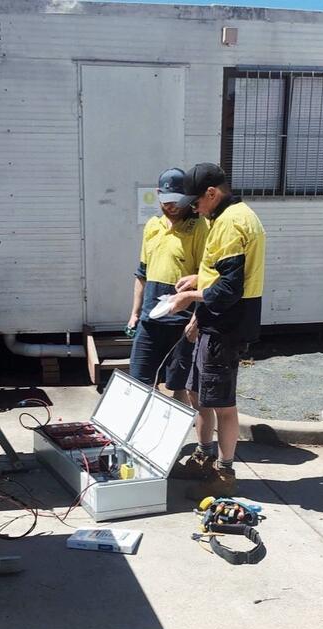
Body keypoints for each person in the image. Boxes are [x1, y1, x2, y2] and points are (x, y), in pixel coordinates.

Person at [169, 162, 266, 497]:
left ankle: (224, 473)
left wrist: (189, 297)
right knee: (199, 394)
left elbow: (229, 289)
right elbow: (223, 274)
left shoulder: (230, 223)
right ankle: (203, 455)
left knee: (222, 403)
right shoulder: (225, 218)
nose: (193, 209)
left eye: (195, 202)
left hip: (226, 325)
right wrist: (199, 280)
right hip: (214, 321)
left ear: (211, 194)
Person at [128, 168, 209, 400]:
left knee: (179, 384)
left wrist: (196, 321)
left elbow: (209, 277)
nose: (172, 206)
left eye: (178, 201)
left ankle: (177, 433)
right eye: (166, 201)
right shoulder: (153, 227)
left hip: (182, 322)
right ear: (157, 194)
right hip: (150, 319)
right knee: (139, 378)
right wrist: (134, 314)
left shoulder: (199, 228)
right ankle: (144, 430)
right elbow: (141, 274)